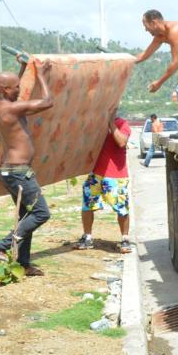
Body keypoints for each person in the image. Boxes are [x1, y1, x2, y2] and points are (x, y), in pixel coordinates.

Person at [0, 60, 54, 276]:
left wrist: (24, 71)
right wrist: (42, 76)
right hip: (18, 172)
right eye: (16, 86)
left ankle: (24, 265)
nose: (19, 89)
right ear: (5, 89)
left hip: (11, 171)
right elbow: (47, 101)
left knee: (27, 217)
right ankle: (1, 245)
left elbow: (15, 95)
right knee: (41, 214)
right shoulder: (12, 108)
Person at [74, 105, 132, 253]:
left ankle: (125, 239)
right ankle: (87, 237)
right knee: (87, 205)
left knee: (121, 208)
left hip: (116, 175)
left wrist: (110, 122)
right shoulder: (95, 125)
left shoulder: (122, 124)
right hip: (96, 174)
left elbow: (122, 142)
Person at [136, 9, 178, 93]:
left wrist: (159, 83)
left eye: (145, 25)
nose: (145, 30)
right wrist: (126, 61)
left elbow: (176, 62)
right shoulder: (160, 36)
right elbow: (144, 55)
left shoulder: (174, 31)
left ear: (153, 23)